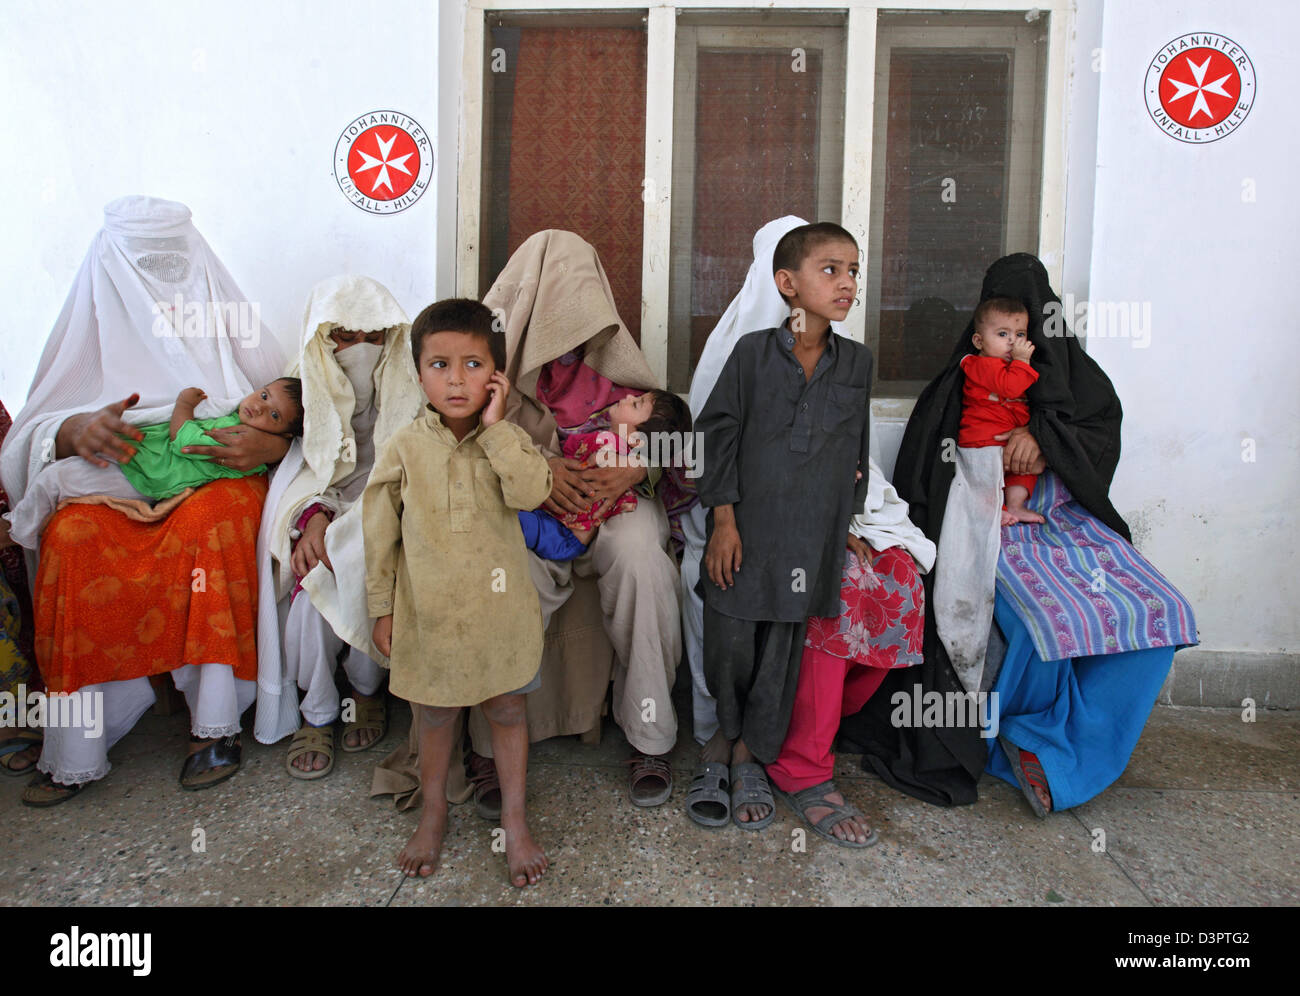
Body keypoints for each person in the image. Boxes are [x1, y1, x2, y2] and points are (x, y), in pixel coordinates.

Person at [839, 253, 1198, 815]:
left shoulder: (1084, 383)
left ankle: (1077, 742)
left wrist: (1042, 438)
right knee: (1041, 621)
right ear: (981, 329)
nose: (1014, 341)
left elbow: (1099, 438)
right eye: (1003, 329)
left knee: (1158, 610)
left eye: (1027, 326)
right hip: (987, 526)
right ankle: (1026, 745)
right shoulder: (956, 385)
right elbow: (926, 475)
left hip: (1068, 520)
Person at [0, 195, 289, 805]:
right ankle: (78, 743)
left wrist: (268, 450)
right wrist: (71, 431)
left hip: (212, 479)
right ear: (108, 266)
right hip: (115, 478)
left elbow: (305, 418)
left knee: (215, 523)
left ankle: (214, 722)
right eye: (143, 264)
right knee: (72, 540)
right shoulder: (89, 329)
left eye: (171, 261)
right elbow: (29, 430)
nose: (161, 280)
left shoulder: (232, 324)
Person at [478, 230, 684, 808]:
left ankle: (650, 735)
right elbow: (464, 446)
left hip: (613, 502)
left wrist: (636, 465)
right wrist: (539, 474)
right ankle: (487, 744)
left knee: (643, 556)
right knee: (505, 575)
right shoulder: (491, 369)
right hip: (527, 510)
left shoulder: (620, 373)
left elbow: (678, 441)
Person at [691, 221, 872, 831]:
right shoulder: (751, 355)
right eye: (831, 270)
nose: (847, 283)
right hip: (745, 534)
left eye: (854, 271)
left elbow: (854, 452)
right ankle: (722, 738)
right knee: (732, 643)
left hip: (809, 537)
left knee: (782, 655)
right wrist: (722, 520)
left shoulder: (857, 364)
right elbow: (717, 436)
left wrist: (843, 523)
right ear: (786, 284)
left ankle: (747, 756)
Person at [364, 298, 551, 887]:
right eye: (439, 365)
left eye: (473, 364)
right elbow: (379, 534)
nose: (456, 379)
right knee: (436, 715)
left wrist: (497, 431)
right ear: (417, 373)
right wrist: (381, 606)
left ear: (496, 375)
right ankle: (435, 811)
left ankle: (516, 822)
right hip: (431, 613)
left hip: (500, 614)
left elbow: (531, 493)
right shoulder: (404, 447)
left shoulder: (510, 440)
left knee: (507, 707)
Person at [253, 275, 424, 782]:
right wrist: (313, 519)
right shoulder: (299, 394)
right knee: (314, 578)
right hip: (326, 513)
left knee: (368, 567)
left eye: (372, 338)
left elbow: (408, 473)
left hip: (387, 512)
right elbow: (305, 475)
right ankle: (318, 710)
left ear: (390, 338)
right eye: (344, 338)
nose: (359, 350)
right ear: (321, 340)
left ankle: (364, 693)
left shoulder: (415, 390)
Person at [4, 379, 303, 549]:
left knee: (56, 479)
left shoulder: (241, 441)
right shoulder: (238, 422)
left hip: (142, 476)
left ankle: (16, 533)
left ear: (286, 435)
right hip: (141, 459)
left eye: (273, 415)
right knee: (58, 476)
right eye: (263, 394)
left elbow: (182, 438)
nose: (259, 406)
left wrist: (184, 405)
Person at [522, 389, 692, 547]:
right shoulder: (624, 457)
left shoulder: (605, 445)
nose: (629, 396)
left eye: (635, 404)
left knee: (509, 525)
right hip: (573, 538)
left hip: (556, 530)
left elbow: (569, 447)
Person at [957, 297, 1043, 526]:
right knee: (987, 479)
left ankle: (1016, 506)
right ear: (978, 341)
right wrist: (1023, 361)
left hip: (1008, 440)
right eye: (1003, 334)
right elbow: (1010, 387)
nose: (1013, 342)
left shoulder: (1010, 366)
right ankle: (996, 509)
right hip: (982, 441)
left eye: (1020, 335)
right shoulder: (979, 364)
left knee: (1023, 472)